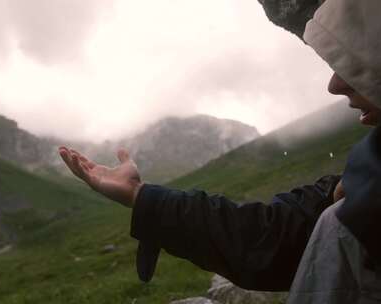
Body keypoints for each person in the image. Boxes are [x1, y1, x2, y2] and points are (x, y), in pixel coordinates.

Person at [59, 0, 381, 302]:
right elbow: (273, 239)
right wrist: (141, 196)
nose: (335, 85)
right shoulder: (360, 180)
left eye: (356, 61)